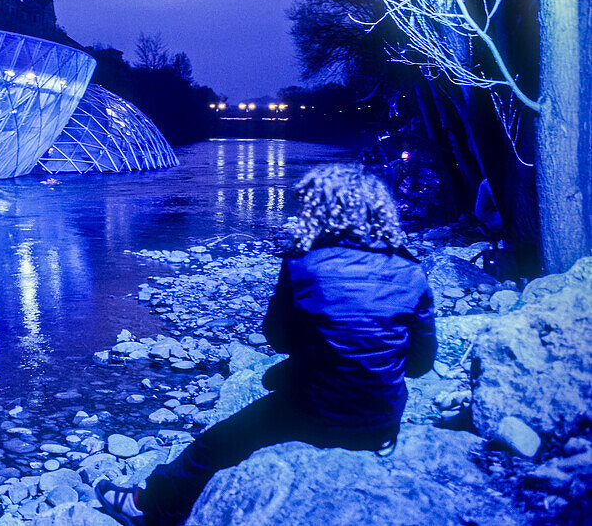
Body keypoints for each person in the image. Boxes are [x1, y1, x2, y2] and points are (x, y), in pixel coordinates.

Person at [96, 163, 436, 526]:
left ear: (320, 212)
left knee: (215, 445)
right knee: (279, 379)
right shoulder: (411, 271)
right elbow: (419, 365)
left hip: (318, 413)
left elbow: (277, 337)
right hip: (382, 419)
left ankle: (147, 506)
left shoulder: (305, 264)